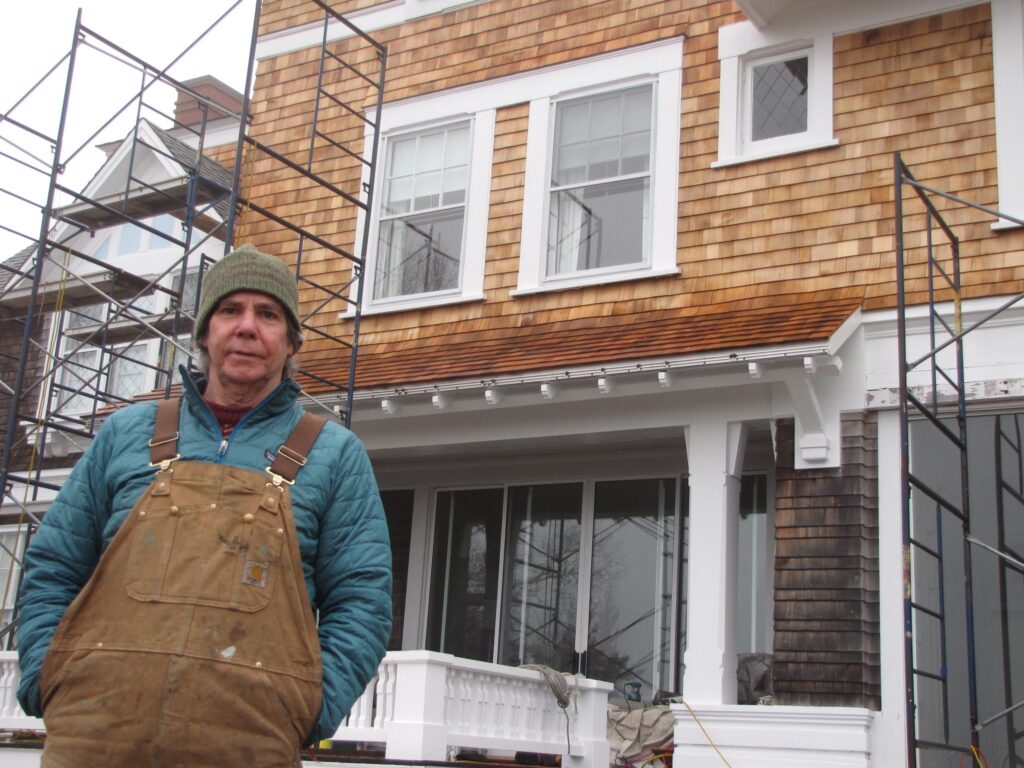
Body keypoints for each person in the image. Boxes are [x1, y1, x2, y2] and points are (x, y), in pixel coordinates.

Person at [16, 244, 392, 767]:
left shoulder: (332, 454)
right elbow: (53, 566)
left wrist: (311, 707)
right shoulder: (130, 432)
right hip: (92, 740)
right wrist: (44, 675)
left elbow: (362, 602)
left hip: (248, 749)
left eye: (268, 314)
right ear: (205, 333)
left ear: (290, 342)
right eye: (229, 310)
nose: (246, 327)